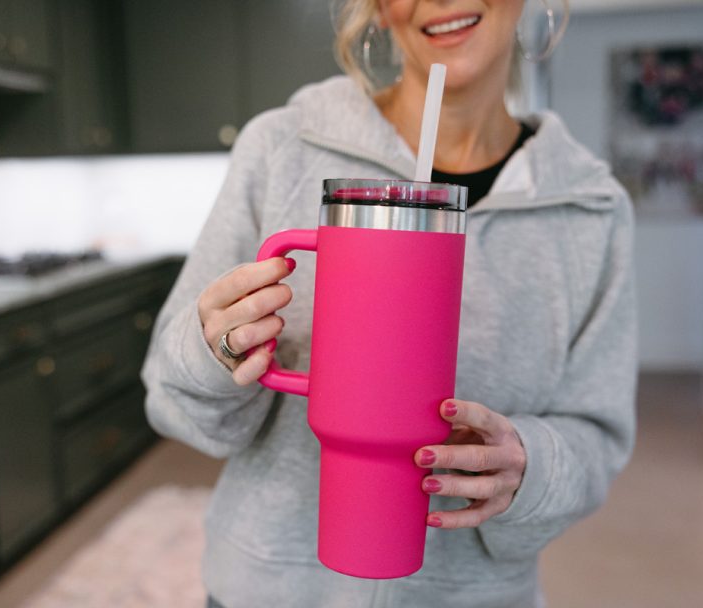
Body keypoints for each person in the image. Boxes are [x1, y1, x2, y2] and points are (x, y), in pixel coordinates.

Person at [142, 0, 637, 606]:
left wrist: (531, 465)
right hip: (269, 589)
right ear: (377, 8)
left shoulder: (593, 208)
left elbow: (599, 437)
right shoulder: (281, 147)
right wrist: (215, 349)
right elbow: (169, 401)